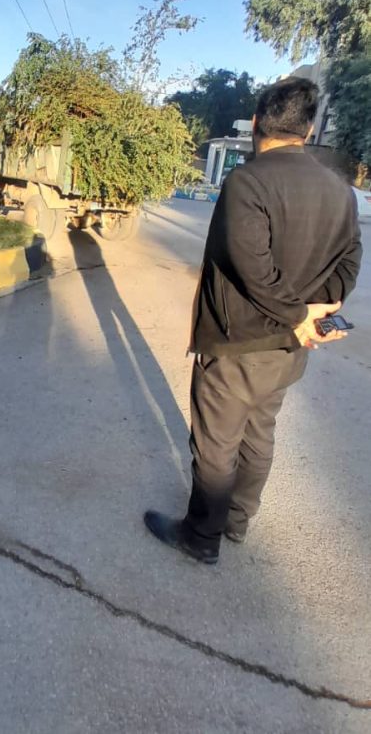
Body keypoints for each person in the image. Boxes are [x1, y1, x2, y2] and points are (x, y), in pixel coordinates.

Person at [144, 77, 362, 565]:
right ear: (307, 130)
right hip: (289, 349)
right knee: (259, 433)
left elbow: (253, 270)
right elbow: (349, 262)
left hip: (238, 341)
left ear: (258, 123)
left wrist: (298, 315)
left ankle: (202, 536)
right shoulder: (341, 192)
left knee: (217, 443)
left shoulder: (248, 181)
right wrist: (318, 310)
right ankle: (237, 522)